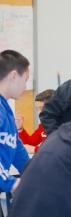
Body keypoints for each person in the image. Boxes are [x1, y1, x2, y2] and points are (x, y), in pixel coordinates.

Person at [0, 50, 29, 193]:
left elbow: (17, 148)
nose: (25, 87)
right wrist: (11, 183)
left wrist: (36, 174)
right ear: (13, 76)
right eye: (25, 80)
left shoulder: (6, 109)